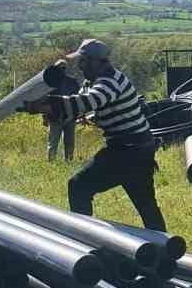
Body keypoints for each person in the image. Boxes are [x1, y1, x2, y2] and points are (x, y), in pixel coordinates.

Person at [31, 39, 166, 231]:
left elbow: (89, 101)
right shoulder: (93, 81)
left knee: (78, 186)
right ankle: (165, 246)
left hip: (128, 152)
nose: (80, 66)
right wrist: (49, 104)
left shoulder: (110, 81)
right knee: (147, 207)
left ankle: (84, 238)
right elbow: (79, 104)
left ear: (96, 62)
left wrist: (46, 105)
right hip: (136, 149)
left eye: (83, 61)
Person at [41, 58, 80, 162]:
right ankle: (51, 162)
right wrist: (44, 117)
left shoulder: (73, 82)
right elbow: (45, 101)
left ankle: (68, 162)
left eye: (63, 68)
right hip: (54, 117)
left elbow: (78, 99)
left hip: (70, 117)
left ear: (66, 69)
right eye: (59, 68)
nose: (61, 70)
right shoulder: (49, 82)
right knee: (53, 143)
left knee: (69, 142)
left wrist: (80, 115)